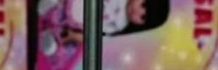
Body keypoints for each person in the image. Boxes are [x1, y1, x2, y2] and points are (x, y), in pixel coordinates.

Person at [38, 0, 169, 57]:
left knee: (57, 44)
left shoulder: (119, 26)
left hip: (74, 23)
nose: (138, 11)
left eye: (143, 17)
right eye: (143, 4)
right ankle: (50, 5)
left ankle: (50, 37)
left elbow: (93, 36)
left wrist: (72, 36)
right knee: (53, 5)